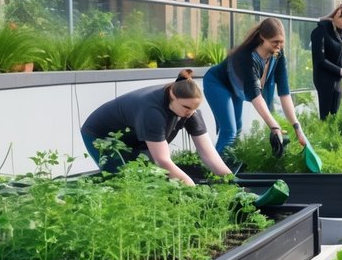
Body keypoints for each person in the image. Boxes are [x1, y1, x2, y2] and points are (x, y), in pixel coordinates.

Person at [81, 70, 232, 186]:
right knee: (122, 182)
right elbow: (163, 161)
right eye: (186, 107)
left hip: (136, 139)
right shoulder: (152, 111)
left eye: (195, 108)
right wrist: (192, 188)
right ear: (172, 95)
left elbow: (208, 153)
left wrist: (232, 180)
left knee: (151, 180)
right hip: (103, 137)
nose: (190, 112)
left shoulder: (190, 111)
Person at [203, 17, 309, 157]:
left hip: (236, 88)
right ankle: (216, 173)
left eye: (281, 42)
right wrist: (274, 126)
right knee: (229, 131)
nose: (279, 46)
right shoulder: (246, 57)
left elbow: (284, 92)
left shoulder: (277, 54)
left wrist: (297, 127)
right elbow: (255, 95)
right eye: (275, 42)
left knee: (237, 130)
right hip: (217, 83)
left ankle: (229, 167)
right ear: (262, 38)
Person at [311, 1, 342, 118]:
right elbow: (320, 60)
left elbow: (340, 58)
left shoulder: (339, 33)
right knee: (325, 117)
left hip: (337, 81)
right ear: (339, 13)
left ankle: (332, 135)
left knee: (334, 117)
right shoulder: (320, 31)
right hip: (324, 80)